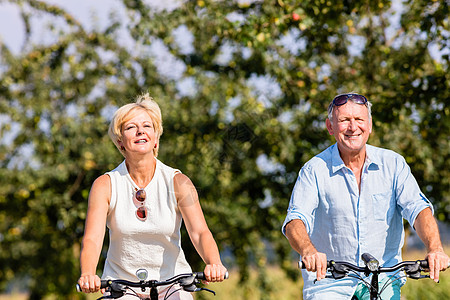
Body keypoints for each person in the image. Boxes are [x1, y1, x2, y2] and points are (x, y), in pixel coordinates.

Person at [282, 93, 449, 299]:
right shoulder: (314, 170)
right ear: (330, 127)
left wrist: (435, 249)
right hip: (329, 283)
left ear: (369, 125)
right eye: (344, 120)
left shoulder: (393, 164)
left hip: (384, 278)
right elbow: (295, 219)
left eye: (359, 119)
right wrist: (308, 251)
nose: (353, 127)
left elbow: (417, 209)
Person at [77, 93, 227, 299]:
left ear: (156, 138)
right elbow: (92, 239)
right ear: (120, 142)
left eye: (147, 126)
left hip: (173, 282)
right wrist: (88, 273)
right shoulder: (105, 185)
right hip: (122, 285)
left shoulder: (179, 182)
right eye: (130, 127)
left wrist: (214, 262)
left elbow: (200, 232)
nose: (140, 131)